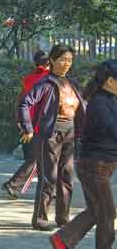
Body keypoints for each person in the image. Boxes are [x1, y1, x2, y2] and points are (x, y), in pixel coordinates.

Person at [49, 60, 117, 249]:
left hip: (104, 163)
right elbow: (112, 129)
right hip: (93, 165)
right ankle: (63, 239)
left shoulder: (110, 99)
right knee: (104, 209)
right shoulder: (99, 103)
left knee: (101, 208)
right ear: (110, 81)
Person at [18, 44, 85, 231]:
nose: (66, 64)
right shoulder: (45, 83)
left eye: (70, 60)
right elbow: (25, 102)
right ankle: (40, 219)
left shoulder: (72, 83)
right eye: (63, 59)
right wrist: (27, 127)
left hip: (70, 134)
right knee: (49, 177)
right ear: (53, 60)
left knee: (66, 176)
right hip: (50, 134)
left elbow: (85, 104)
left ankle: (63, 218)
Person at [2, 50, 50, 199]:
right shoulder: (49, 79)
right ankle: (14, 185)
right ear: (50, 63)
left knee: (36, 158)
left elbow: (21, 100)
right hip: (40, 125)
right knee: (38, 159)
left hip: (26, 122)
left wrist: (20, 121)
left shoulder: (28, 78)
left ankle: (15, 185)